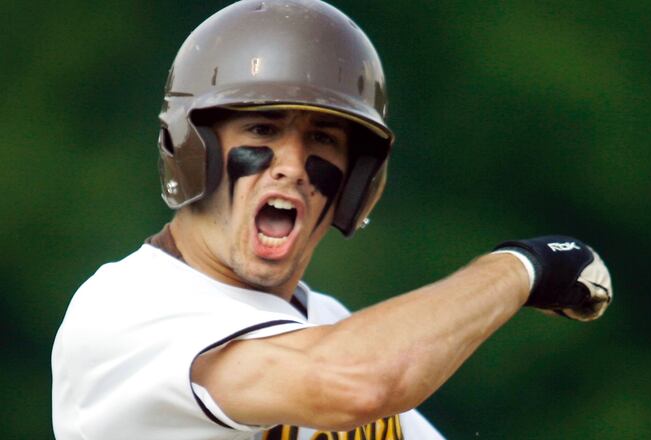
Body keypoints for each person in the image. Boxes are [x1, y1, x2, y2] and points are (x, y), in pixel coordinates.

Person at [51, 1, 613, 439]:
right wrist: (520, 268)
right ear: (192, 150)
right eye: (262, 131)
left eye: (321, 139)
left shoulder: (323, 321)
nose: (292, 167)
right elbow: (354, 382)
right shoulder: (128, 310)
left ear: (355, 184)